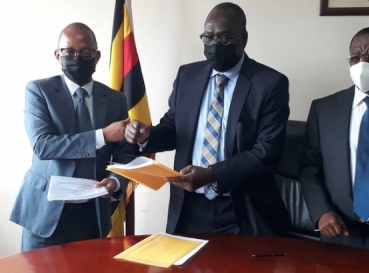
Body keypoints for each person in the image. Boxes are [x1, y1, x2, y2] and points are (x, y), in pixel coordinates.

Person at [125, 2, 291, 235]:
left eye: (224, 37)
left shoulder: (270, 84)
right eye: (208, 37)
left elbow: (267, 151)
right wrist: (147, 135)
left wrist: (213, 175)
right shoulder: (188, 75)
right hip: (189, 206)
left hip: (242, 208)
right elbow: (174, 128)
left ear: (243, 38)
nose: (214, 44)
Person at [10, 22, 135, 252]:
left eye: (86, 52)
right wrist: (102, 136)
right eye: (69, 52)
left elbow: (125, 154)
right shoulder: (39, 91)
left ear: (96, 57)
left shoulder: (115, 100)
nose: (77, 57)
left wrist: (116, 181)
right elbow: (43, 146)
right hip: (45, 216)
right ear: (58, 55)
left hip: (92, 215)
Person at [300, 26, 369, 251]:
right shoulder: (324, 109)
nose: (362, 64)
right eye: (355, 57)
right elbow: (310, 167)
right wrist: (321, 212)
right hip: (341, 233)